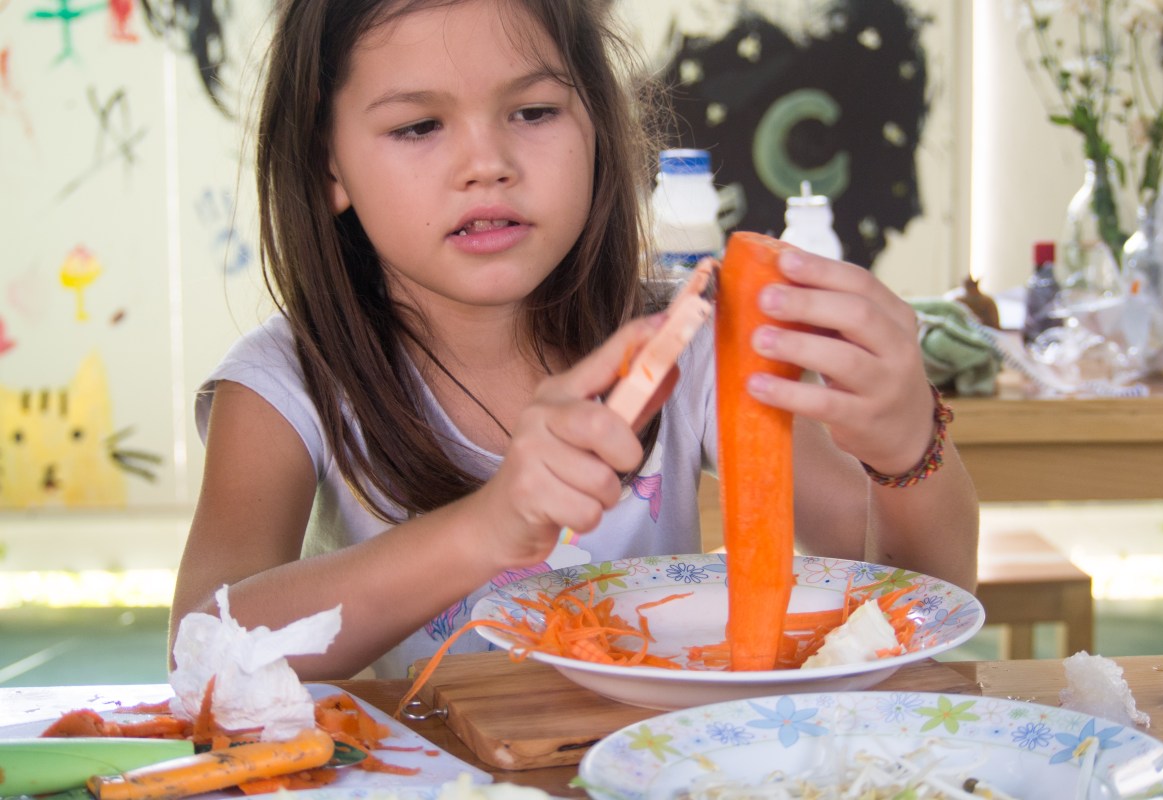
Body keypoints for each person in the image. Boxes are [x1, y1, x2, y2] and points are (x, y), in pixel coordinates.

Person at [170, 0, 979, 681]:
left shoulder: (696, 341)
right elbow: (201, 657)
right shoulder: (282, 386)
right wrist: (487, 527)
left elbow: (909, 607)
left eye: (533, 112)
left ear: (596, 126)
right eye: (418, 126)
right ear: (329, 168)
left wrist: (907, 452)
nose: (487, 163)